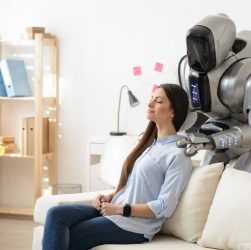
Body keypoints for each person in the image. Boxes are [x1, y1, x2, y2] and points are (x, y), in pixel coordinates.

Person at [42, 83, 193, 250]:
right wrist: (110, 196)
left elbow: (164, 207)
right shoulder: (150, 145)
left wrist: (120, 209)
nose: (150, 104)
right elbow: (134, 185)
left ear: (173, 111)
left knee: (70, 234)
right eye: (151, 98)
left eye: (158, 101)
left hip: (134, 226)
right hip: (115, 213)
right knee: (55, 214)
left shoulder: (178, 155)